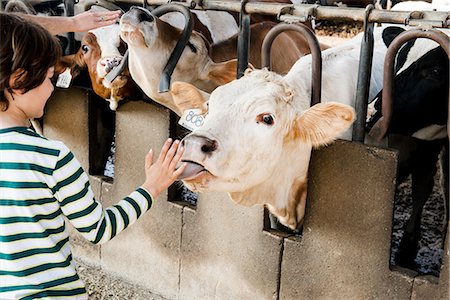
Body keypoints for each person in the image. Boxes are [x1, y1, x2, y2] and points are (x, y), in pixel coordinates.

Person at [0, 12, 187, 299]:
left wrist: (73, 24)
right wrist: (152, 186)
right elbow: (99, 229)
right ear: (19, 79)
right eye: (51, 78)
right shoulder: (52, 158)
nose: (54, 87)